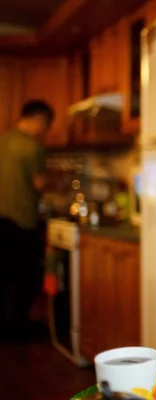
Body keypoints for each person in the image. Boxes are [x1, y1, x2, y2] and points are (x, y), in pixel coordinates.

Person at [0, 99, 53, 340]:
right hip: (21, 221)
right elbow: (39, 183)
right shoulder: (32, 147)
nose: (45, 131)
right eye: (46, 125)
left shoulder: (4, 140)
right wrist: (57, 181)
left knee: (3, 277)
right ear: (39, 119)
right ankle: (17, 328)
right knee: (28, 277)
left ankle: (4, 327)